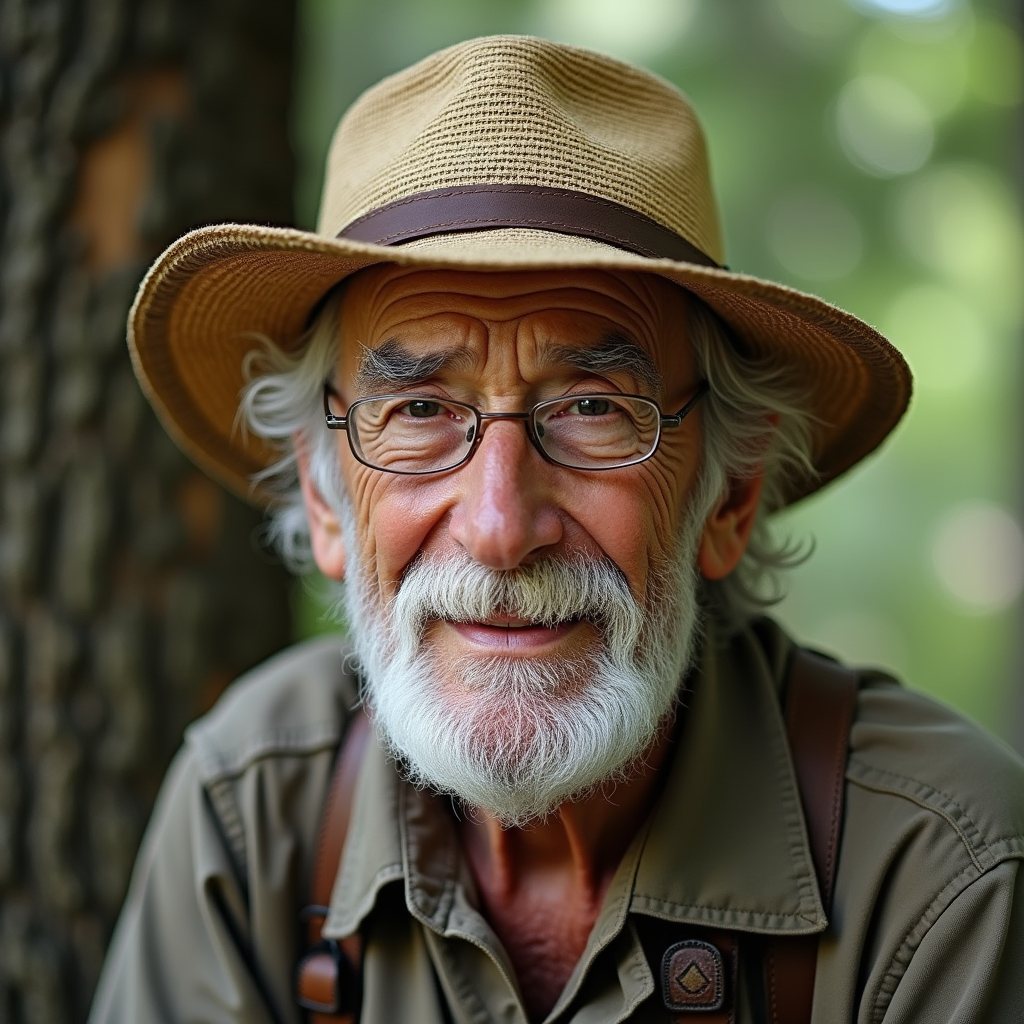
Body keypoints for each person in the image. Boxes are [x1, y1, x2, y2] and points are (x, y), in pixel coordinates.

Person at [91, 34, 1024, 1024]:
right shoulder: (253, 814)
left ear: (729, 497)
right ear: (325, 503)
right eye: (418, 412)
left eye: (591, 409)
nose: (499, 527)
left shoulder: (939, 873)